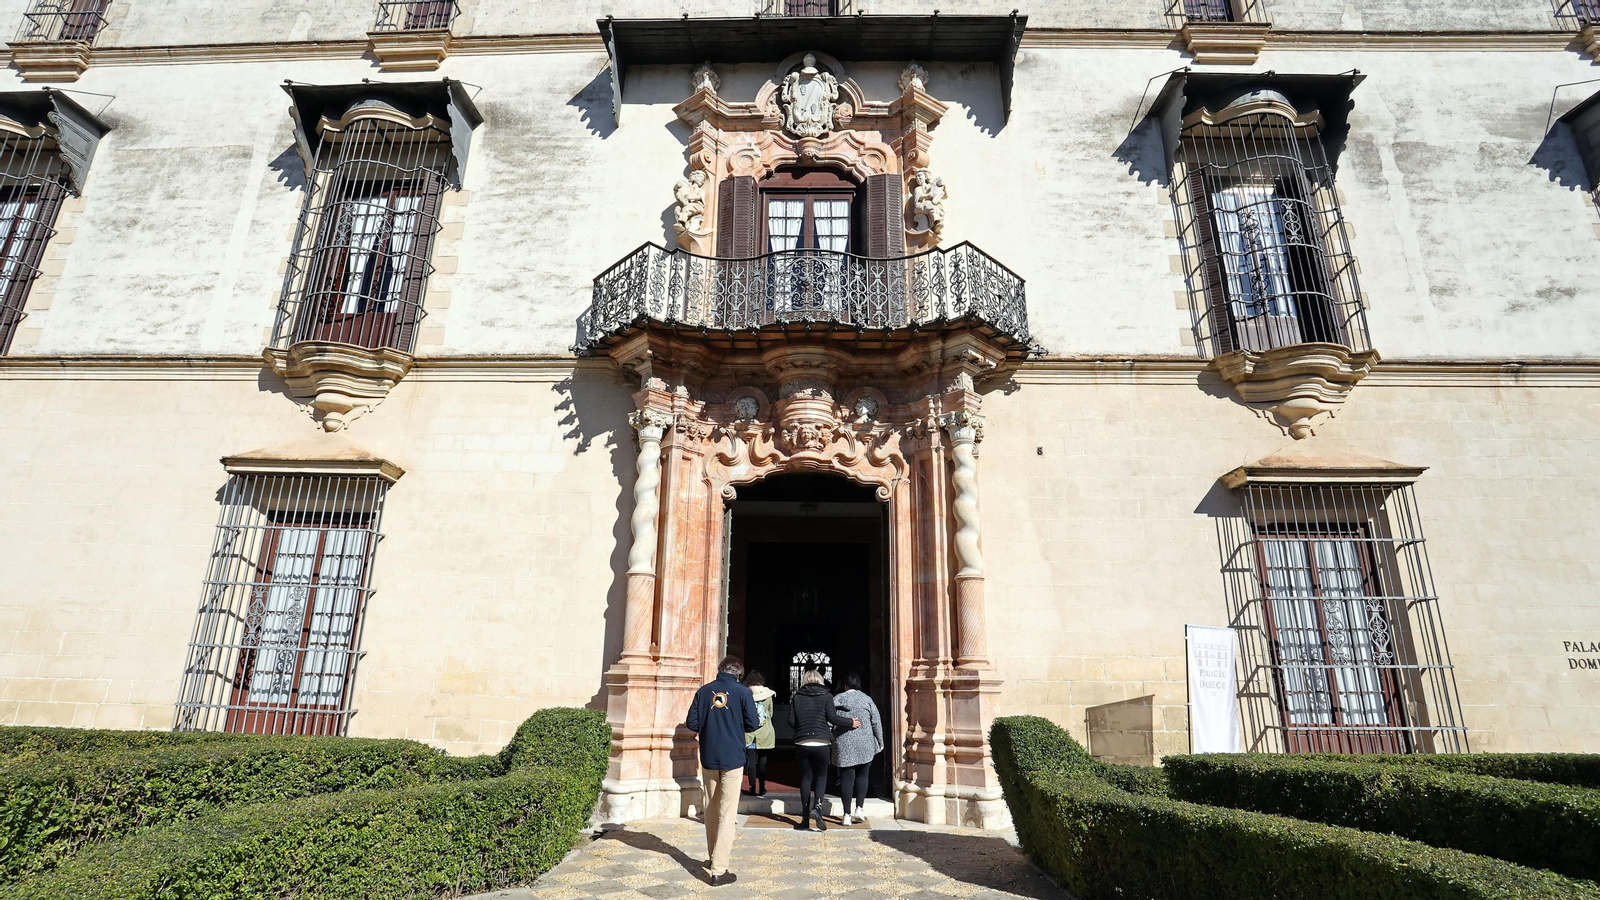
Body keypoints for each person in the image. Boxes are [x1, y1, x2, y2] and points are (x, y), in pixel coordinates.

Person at [684, 655, 760, 886]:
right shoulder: (743, 692)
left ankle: (711, 856)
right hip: (733, 758)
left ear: (720, 670)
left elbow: (692, 723)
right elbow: (753, 723)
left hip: (709, 756)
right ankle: (719, 869)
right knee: (727, 814)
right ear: (738, 674)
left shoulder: (704, 691)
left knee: (711, 808)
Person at [787, 668, 858, 832]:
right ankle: (817, 807)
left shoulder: (797, 697)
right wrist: (850, 722)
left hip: (802, 741)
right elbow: (833, 718)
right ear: (821, 680)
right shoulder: (826, 696)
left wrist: (803, 728)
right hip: (822, 742)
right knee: (821, 776)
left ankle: (805, 816)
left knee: (806, 777)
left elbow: (791, 720)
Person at [831, 673, 883, 826]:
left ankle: (846, 814)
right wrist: (880, 741)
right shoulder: (867, 700)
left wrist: (830, 737)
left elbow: (829, 719)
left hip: (843, 742)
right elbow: (876, 722)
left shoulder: (837, 699)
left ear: (845, 686)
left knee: (847, 779)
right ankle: (859, 808)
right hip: (865, 743)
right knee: (863, 776)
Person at [743, 670, 775, 796]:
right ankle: (762, 787)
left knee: (751, 761)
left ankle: (752, 787)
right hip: (765, 732)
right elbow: (770, 713)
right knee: (762, 761)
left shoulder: (746, 693)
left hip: (750, 732)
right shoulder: (768, 694)